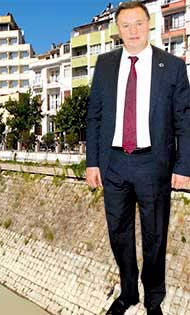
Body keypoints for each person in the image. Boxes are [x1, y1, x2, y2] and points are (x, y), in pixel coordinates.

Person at [86, 2, 190, 315]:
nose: (133, 31)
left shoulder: (171, 66)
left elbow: (184, 119)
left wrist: (184, 166)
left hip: (153, 165)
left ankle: (153, 299)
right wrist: (93, 162)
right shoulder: (104, 64)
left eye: (138, 24)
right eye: (126, 25)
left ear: (150, 25)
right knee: (119, 233)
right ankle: (128, 291)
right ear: (118, 30)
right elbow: (94, 116)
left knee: (155, 236)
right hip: (114, 163)